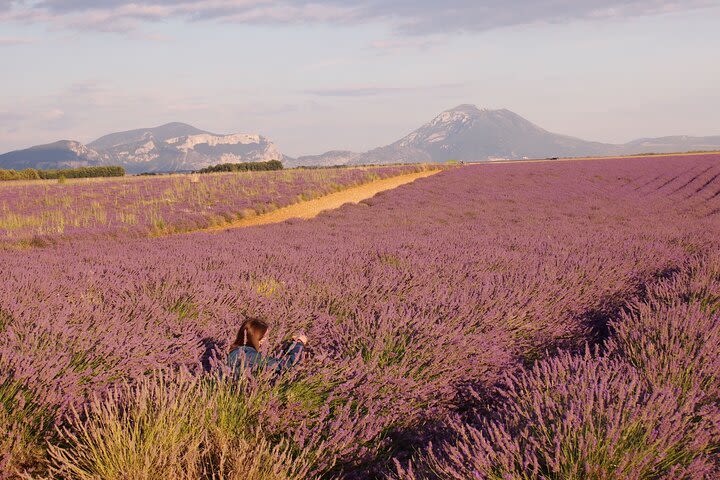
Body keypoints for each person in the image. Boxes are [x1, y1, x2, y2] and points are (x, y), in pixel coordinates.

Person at [227, 317, 306, 377]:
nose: (266, 340)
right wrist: (299, 343)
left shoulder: (235, 350)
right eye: (265, 337)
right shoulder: (250, 355)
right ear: (258, 338)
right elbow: (286, 364)